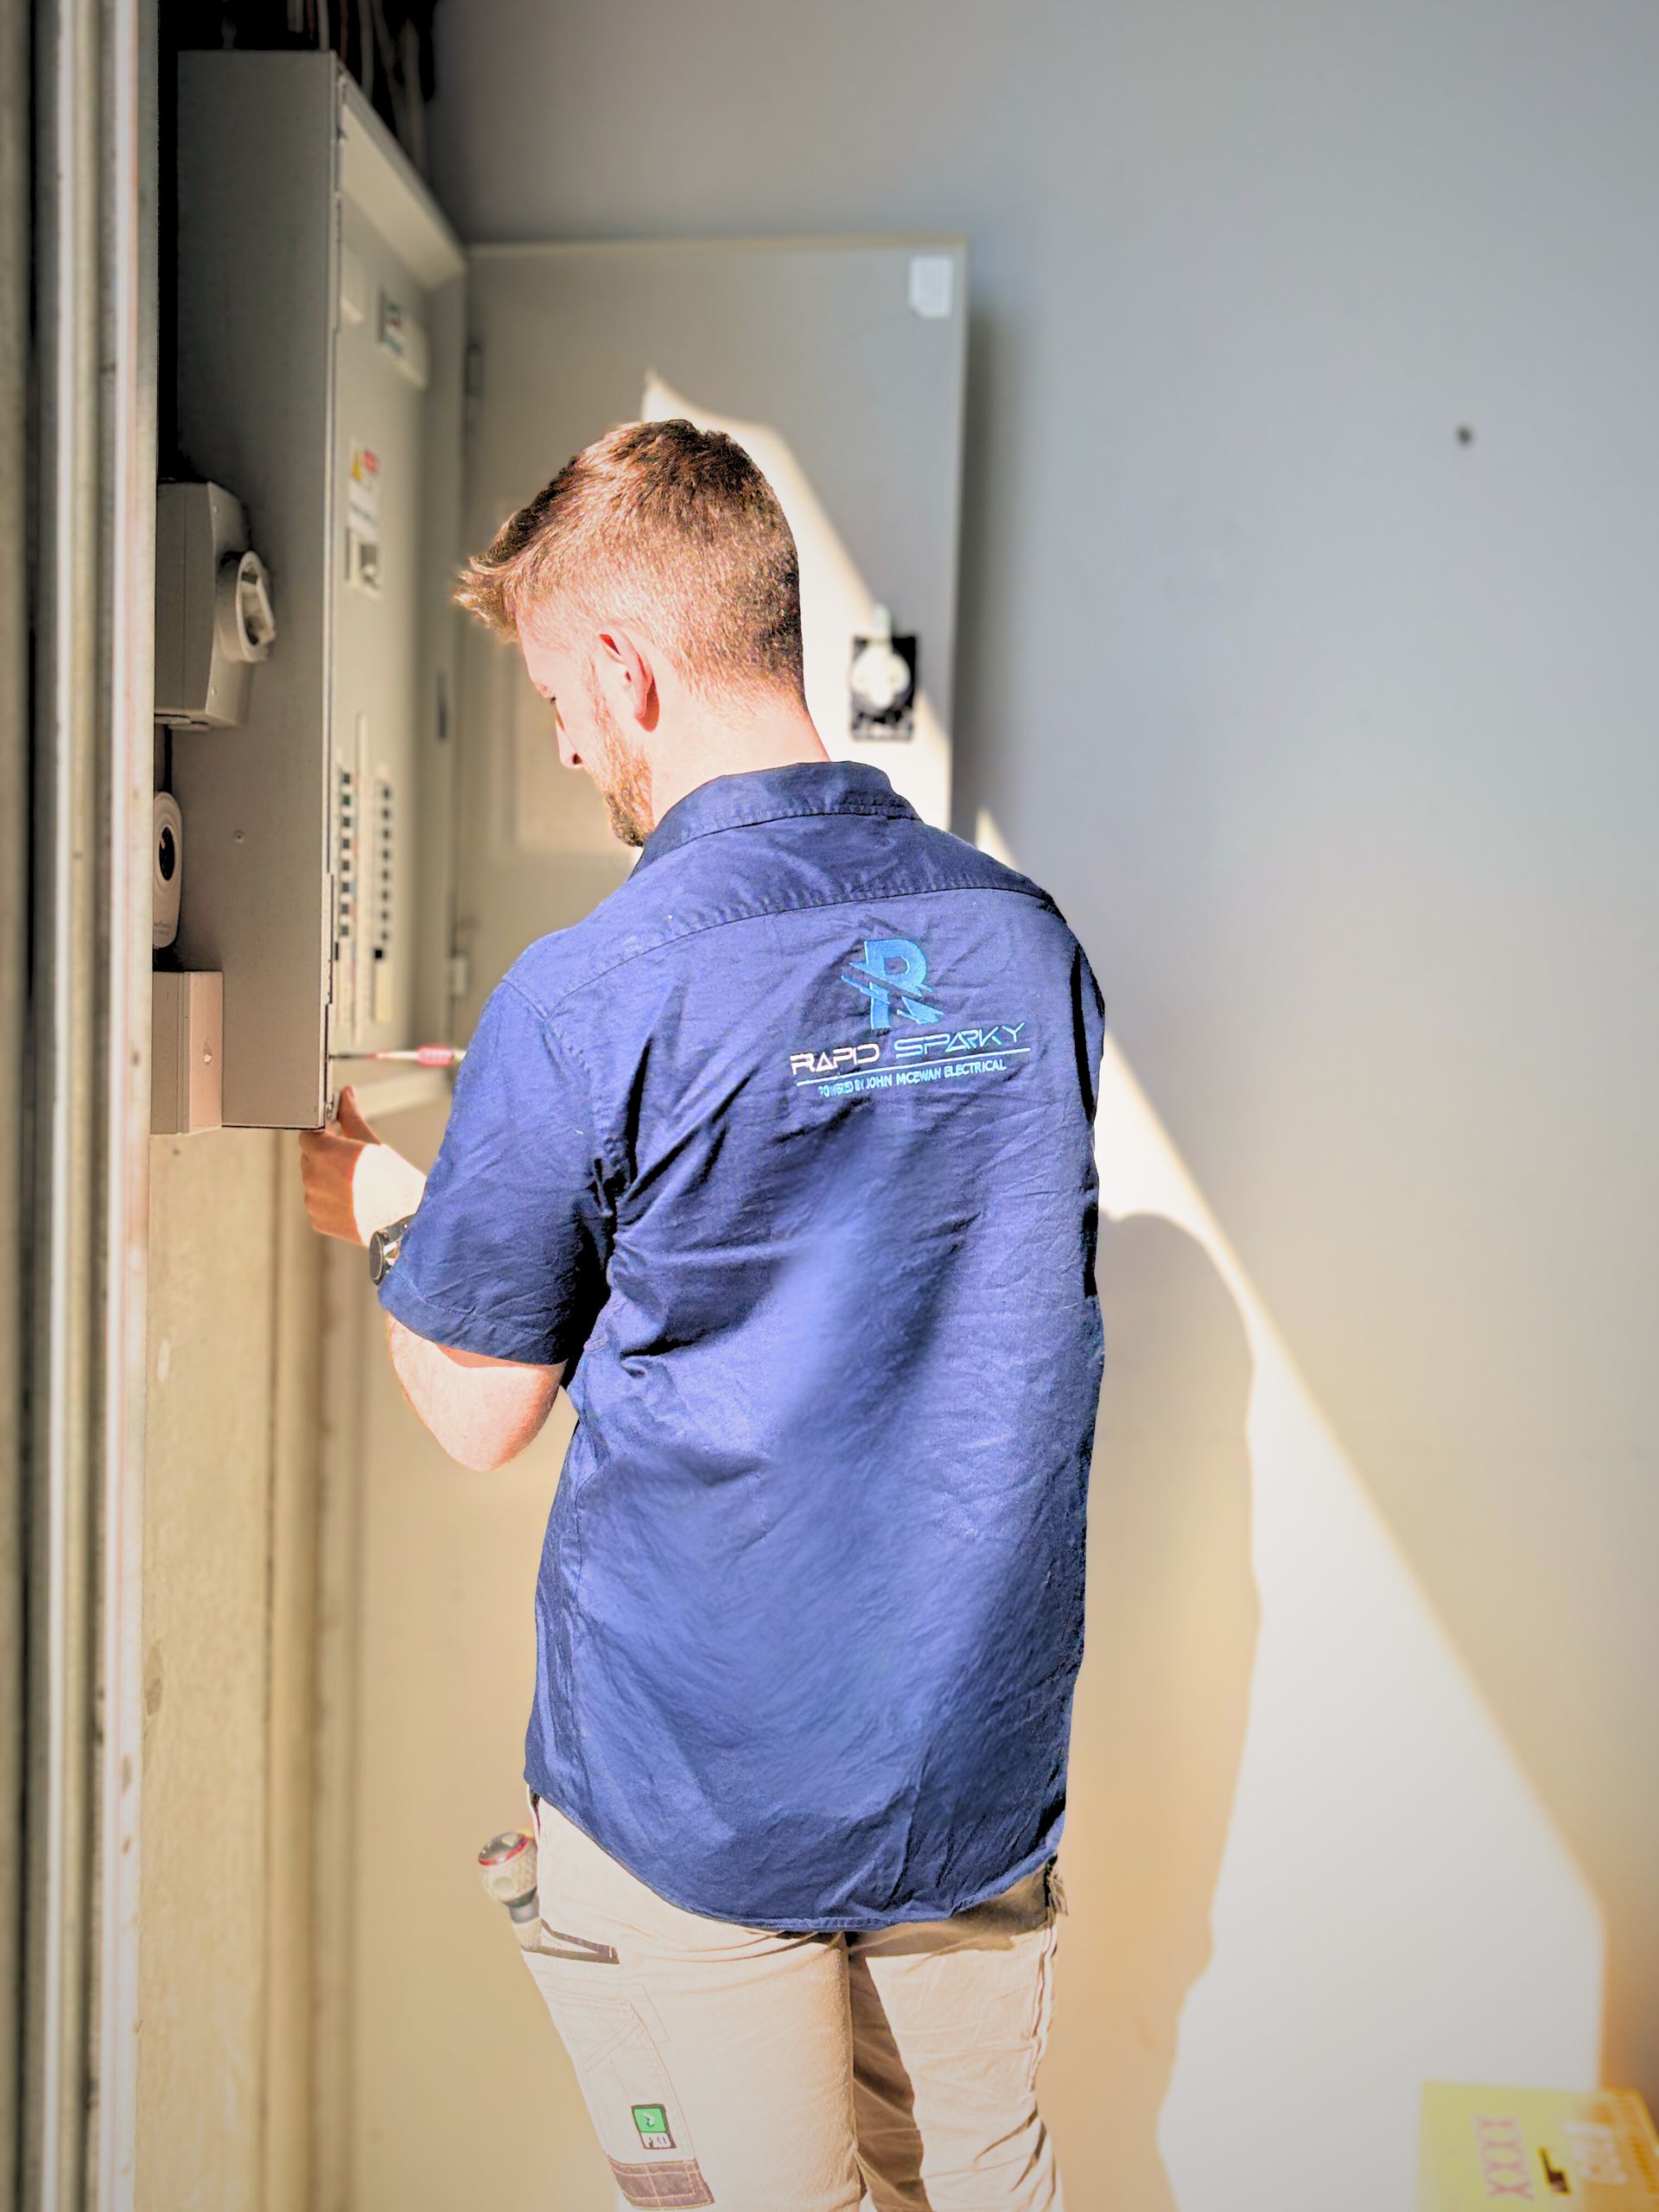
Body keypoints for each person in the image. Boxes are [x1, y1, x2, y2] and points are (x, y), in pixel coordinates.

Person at [299, 419, 1104, 2211]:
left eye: (554, 700)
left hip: (705, 1780)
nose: (568, 745)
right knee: (978, 2176)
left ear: (622, 665)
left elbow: (481, 1409)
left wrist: (385, 1205)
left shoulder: (593, 992)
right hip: (967, 1753)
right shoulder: (1022, 942)